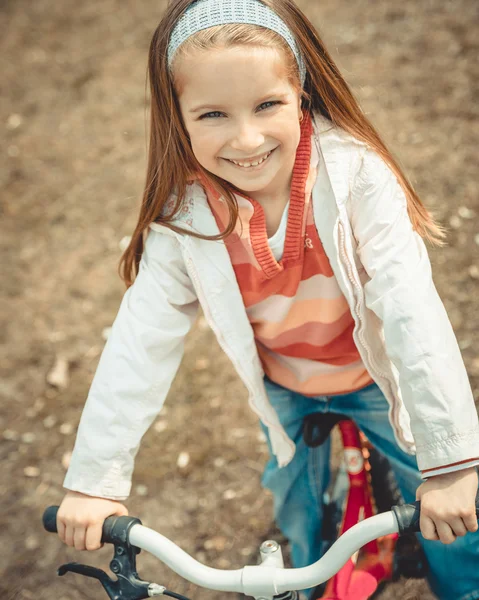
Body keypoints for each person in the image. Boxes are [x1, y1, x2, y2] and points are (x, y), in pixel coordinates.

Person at [56, 1, 479, 598]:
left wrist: (452, 464)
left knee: (443, 510)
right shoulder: (184, 220)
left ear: (301, 92)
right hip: (286, 386)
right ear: (176, 118)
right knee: (296, 509)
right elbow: (139, 344)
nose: (246, 138)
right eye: (212, 114)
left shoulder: (358, 179)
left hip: (373, 379)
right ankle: (300, 585)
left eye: (266, 105)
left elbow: (411, 310)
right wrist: (95, 480)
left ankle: (463, 588)